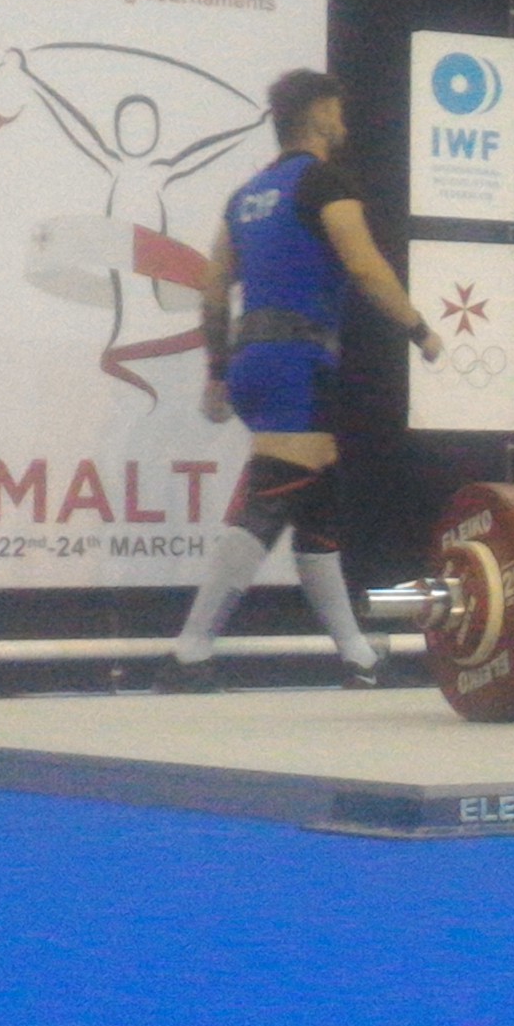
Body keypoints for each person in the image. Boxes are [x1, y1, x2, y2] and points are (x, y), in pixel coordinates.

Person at [156, 69, 442, 693]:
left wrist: (218, 371)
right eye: (336, 109)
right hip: (298, 362)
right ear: (317, 113)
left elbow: (213, 291)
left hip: (255, 360)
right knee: (269, 497)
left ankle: (359, 659)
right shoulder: (324, 183)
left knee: (317, 516)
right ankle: (189, 654)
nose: (343, 120)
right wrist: (419, 329)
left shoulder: (246, 196)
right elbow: (364, 266)